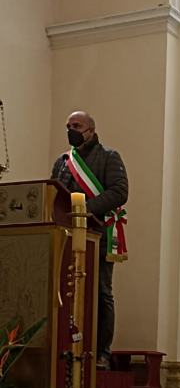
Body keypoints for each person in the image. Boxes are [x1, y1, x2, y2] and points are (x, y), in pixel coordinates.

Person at [51, 111, 128, 369]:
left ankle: (101, 353)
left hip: (98, 235)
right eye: (68, 126)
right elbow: (53, 193)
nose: (71, 129)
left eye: (77, 125)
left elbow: (119, 191)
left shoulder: (109, 157)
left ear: (91, 131)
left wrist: (85, 209)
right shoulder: (63, 162)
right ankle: (66, 348)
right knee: (64, 292)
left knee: (101, 292)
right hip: (66, 235)